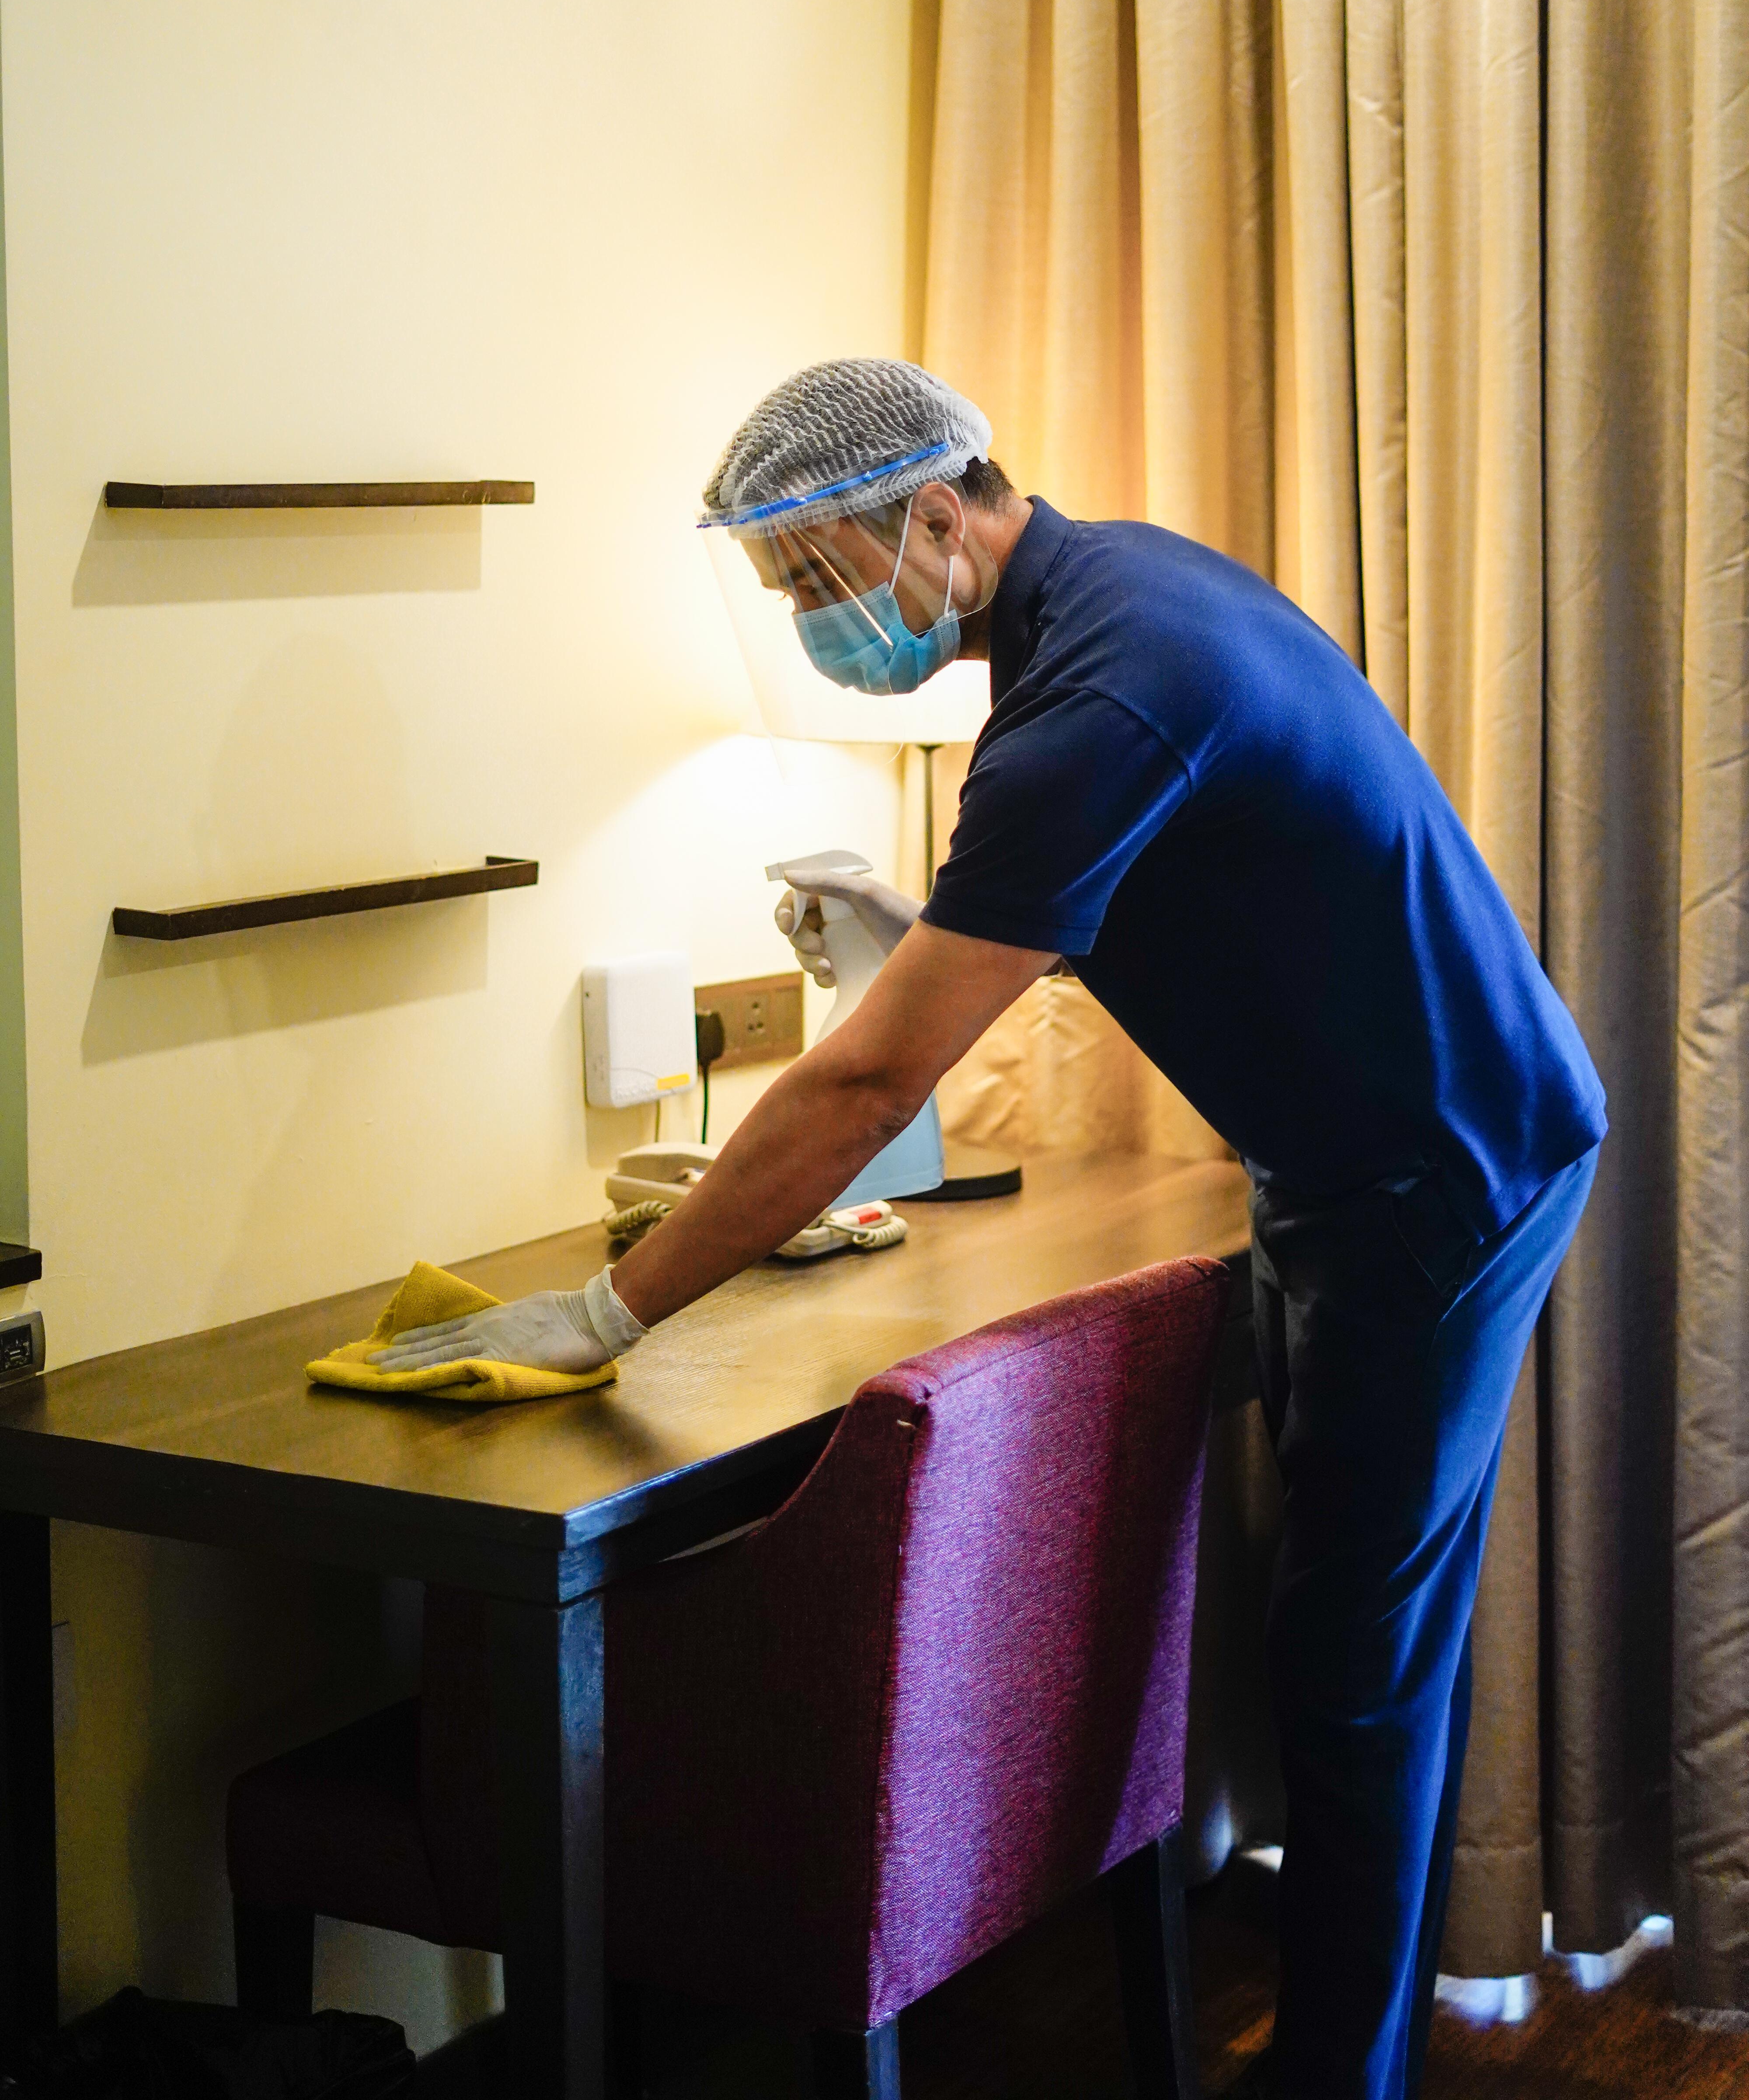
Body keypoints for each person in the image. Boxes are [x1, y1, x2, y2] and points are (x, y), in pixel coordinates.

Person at [378, 357, 1606, 2100]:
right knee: (1365, 1633)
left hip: (1438, 1173)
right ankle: (1354, 2051)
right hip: (1410, 1141)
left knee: (1352, 1656)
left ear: (939, 516)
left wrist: (609, 1310)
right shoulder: (1117, 592)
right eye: (785, 594)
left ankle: (1343, 2078)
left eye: (819, 582)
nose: (814, 625)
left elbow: (864, 1090)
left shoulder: (1087, 705)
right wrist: (938, 916)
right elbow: (1182, 879)